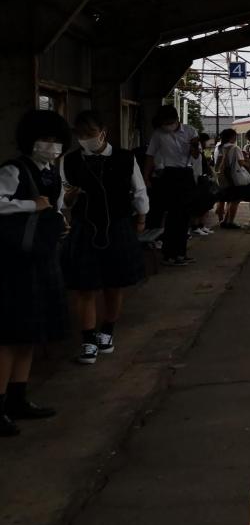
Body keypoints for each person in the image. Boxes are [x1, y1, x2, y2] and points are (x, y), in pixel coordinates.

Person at [0, 109, 71, 436]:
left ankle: (18, 397)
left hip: (41, 258)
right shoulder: (14, 169)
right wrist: (32, 205)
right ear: (30, 140)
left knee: (29, 332)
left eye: (56, 140)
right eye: (45, 139)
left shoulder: (51, 173)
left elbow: (54, 207)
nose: (51, 145)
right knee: (9, 336)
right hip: (13, 263)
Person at [61, 111, 148, 365]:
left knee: (114, 283)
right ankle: (88, 339)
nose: (85, 139)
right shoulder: (70, 161)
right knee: (84, 286)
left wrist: (141, 218)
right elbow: (62, 198)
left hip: (117, 225)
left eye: (90, 133)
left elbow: (139, 189)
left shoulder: (124, 158)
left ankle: (107, 330)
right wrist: (69, 198)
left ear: (103, 132)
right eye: (80, 135)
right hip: (84, 227)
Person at [144, 105, 199, 266]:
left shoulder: (190, 131)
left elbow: (196, 156)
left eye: (169, 122)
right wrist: (146, 177)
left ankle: (181, 253)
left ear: (176, 119)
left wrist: (194, 146)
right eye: (164, 123)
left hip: (186, 174)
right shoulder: (158, 134)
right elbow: (150, 156)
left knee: (184, 216)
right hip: (168, 175)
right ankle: (169, 255)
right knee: (173, 216)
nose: (167, 125)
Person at [214, 128, 250, 229]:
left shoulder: (218, 147)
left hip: (221, 177)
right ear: (231, 137)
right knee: (234, 200)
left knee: (224, 199)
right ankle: (230, 221)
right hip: (233, 177)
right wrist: (248, 162)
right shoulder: (235, 148)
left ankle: (223, 221)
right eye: (235, 136)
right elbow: (241, 162)